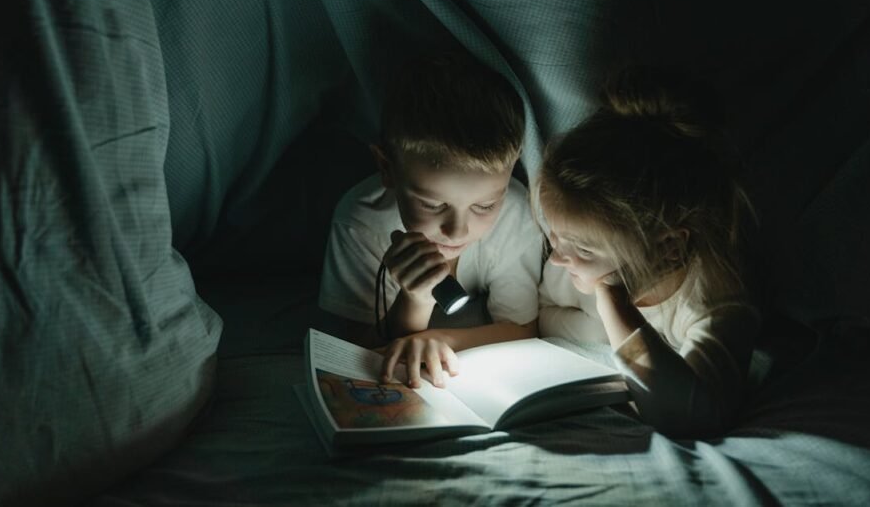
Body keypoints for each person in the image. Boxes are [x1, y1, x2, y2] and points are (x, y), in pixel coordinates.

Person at [535, 66, 760, 437]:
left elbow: (693, 417)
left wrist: (615, 305)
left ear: (668, 247)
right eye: (555, 238)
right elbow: (545, 316)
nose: (557, 259)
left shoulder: (715, 299)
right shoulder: (570, 266)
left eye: (584, 249)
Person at [317, 52, 543, 389]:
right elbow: (352, 347)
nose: (458, 230)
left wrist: (442, 340)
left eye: (484, 206)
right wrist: (415, 301)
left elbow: (522, 328)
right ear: (386, 168)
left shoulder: (515, 213)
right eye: (433, 204)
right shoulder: (359, 221)